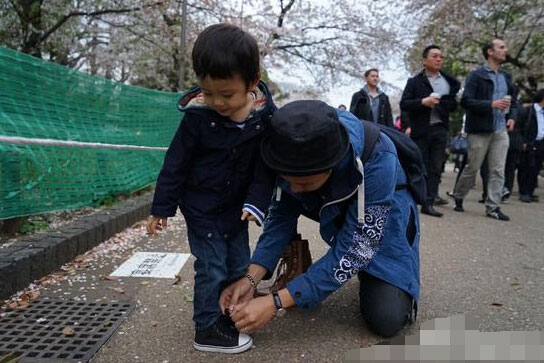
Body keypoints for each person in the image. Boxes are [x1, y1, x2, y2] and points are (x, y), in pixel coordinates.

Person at [220, 100, 420, 340]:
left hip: (384, 207)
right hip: (333, 200)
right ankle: (306, 267)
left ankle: (367, 272)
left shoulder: (380, 157)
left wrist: (276, 302)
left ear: (333, 166)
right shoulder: (284, 147)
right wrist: (250, 278)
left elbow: (359, 248)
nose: (294, 188)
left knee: (387, 319)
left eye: (303, 183)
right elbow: (280, 217)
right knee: (292, 208)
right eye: (287, 180)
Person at [146, 23, 276, 354]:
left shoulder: (263, 120)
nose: (216, 101)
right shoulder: (198, 118)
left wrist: (256, 203)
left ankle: (230, 314)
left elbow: (265, 169)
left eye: (227, 94)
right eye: (208, 92)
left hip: (237, 209)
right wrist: (162, 207)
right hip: (202, 209)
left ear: (252, 82)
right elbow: (176, 163)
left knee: (238, 263)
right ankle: (206, 328)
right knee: (212, 265)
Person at [452, 39, 517, 221]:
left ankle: (493, 207)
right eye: (501, 47)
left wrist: (512, 117)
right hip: (480, 129)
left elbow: (514, 102)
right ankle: (458, 196)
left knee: (498, 170)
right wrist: (491, 104)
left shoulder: (507, 77)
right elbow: (466, 101)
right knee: (472, 167)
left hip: (500, 129)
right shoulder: (477, 76)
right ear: (490, 51)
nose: (506, 50)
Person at [400, 45, 460, 217]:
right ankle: (412, 197)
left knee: (436, 167)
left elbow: (453, 104)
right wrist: (422, 102)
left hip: (440, 129)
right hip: (421, 130)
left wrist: (444, 104)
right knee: (419, 165)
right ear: (424, 60)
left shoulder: (448, 82)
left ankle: (428, 202)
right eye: (434, 56)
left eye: (441, 56)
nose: (439, 59)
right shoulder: (414, 82)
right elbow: (404, 103)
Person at [518, 89, 544, 202]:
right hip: (529, 142)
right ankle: (523, 192)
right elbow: (521, 127)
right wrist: (523, 141)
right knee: (526, 167)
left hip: (541, 142)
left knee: (536, 168)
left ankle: (530, 191)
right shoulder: (528, 110)